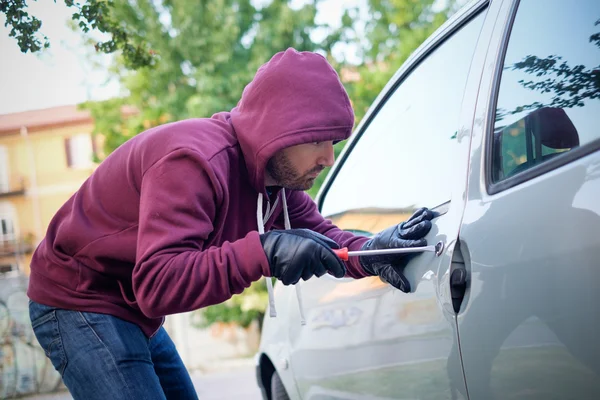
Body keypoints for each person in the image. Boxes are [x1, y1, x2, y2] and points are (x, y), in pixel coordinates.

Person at [27, 48, 434, 399]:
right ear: (278, 131)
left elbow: (323, 234)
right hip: (77, 298)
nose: (327, 157)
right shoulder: (193, 162)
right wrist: (265, 251)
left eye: (334, 141)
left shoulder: (274, 181)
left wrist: (375, 250)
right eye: (315, 140)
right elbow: (156, 284)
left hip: (130, 307)